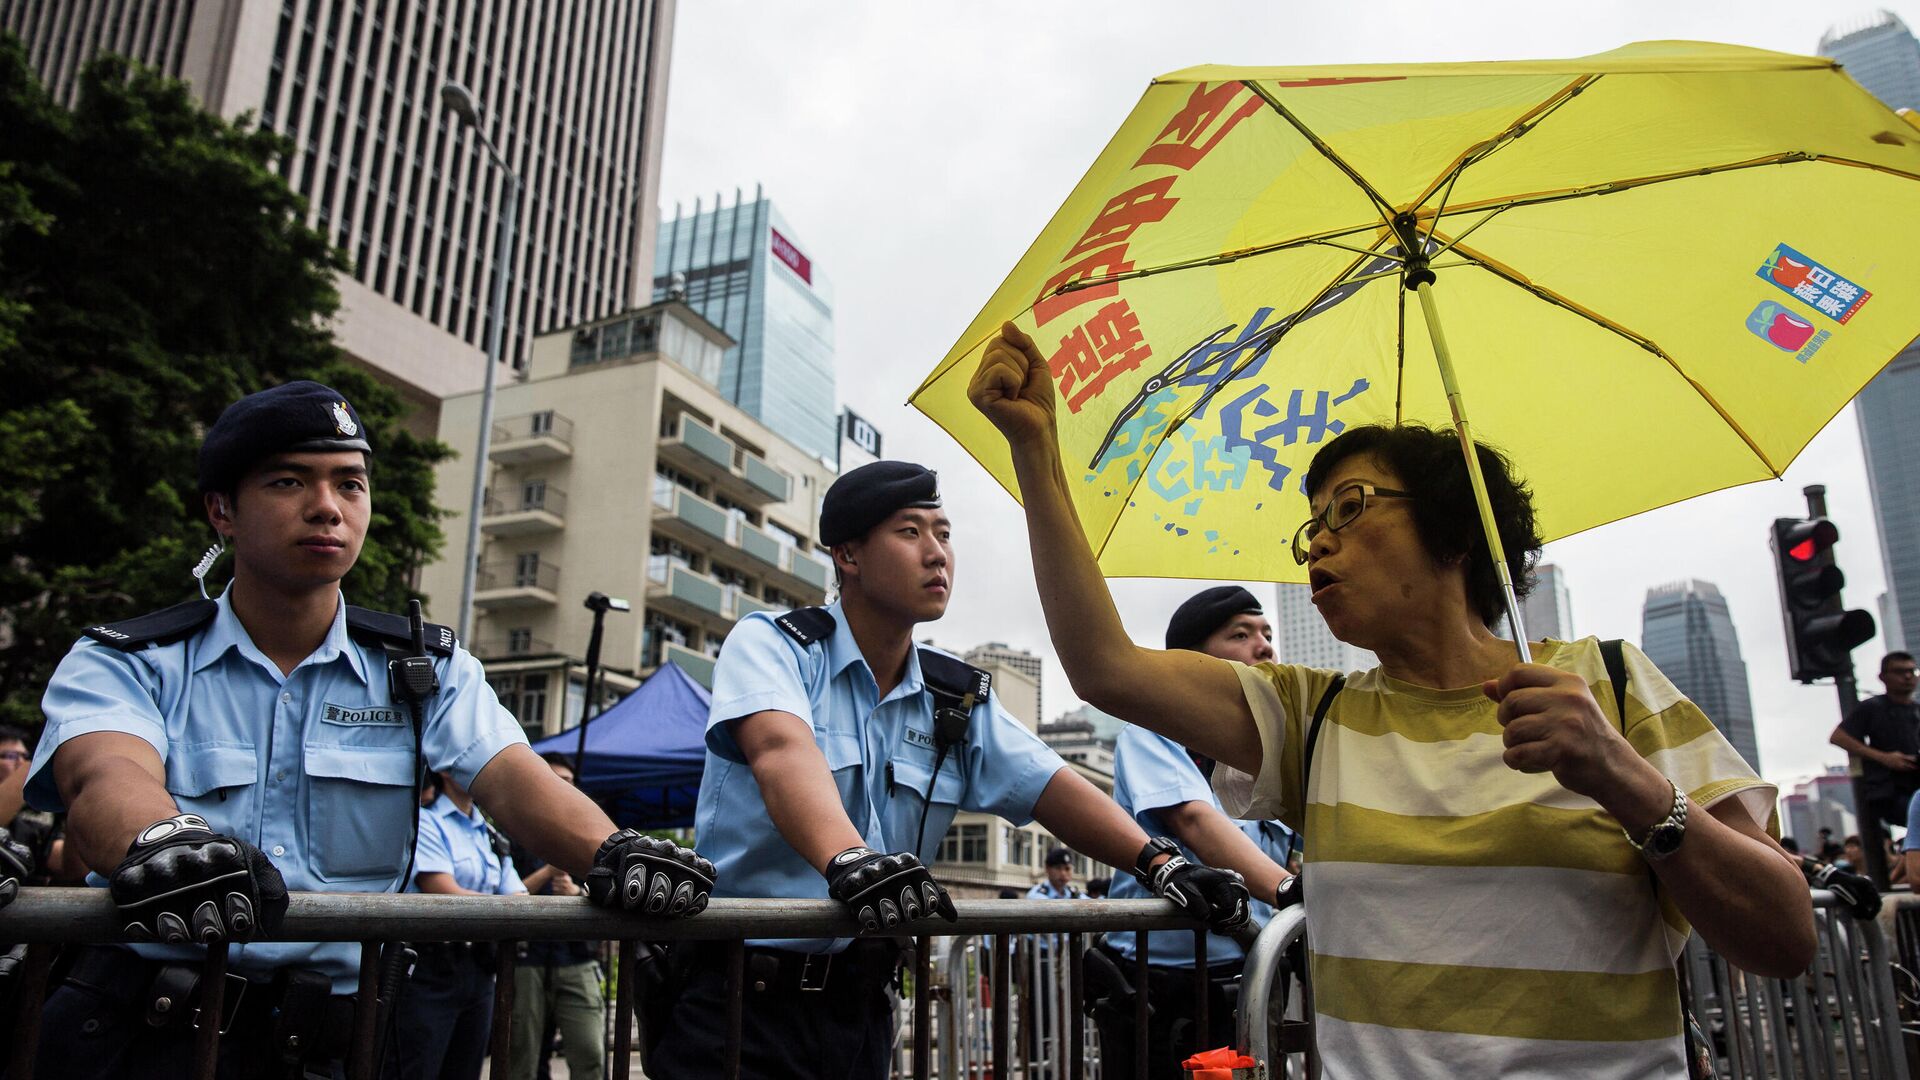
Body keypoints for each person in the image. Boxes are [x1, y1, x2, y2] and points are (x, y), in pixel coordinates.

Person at [968, 323, 1813, 1079]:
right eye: (1311, 526)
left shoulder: (1619, 688)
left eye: (1351, 507)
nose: (1319, 542)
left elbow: (1782, 938)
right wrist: (1038, 459)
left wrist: (1625, 780)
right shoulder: (1316, 716)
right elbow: (1105, 667)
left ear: (1453, 530)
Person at [22, 381, 714, 1080]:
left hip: (341, 1042)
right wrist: (163, 844)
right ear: (221, 510)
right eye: (290, 480)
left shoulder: (425, 669)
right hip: (145, 1033)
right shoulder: (130, 658)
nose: (327, 507)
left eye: (349, 484)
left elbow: (513, 775)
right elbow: (106, 773)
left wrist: (616, 853)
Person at [646, 459, 1251, 1080]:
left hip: (862, 1006)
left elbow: (1051, 783)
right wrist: (851, 859)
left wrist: (1162, 864)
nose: (938, 554)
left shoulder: (953, 696)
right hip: (739, 1000)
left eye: (945, 533)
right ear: (848, 554)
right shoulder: (776, 644)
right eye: (910, 533)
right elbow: (779, 749)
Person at [1096, 586, 1300, 1079]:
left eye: (1267, 634)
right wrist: (1289, 892)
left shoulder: (1270, 746)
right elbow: (1192, 818)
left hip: (1246, 973)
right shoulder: (1152, 730)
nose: (1265, 646)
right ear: (1192, 661)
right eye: (1241, 634)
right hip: (1156, 984)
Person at [393, 770, 526, 1080]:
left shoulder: (490, 834)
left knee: (466, 1068)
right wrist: (503, 906)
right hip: (430, 967)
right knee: (416, 1066)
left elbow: (519, 897)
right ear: (445, 771)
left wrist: (505, 905)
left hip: (479, 968)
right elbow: (444, 891)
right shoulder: (425, 821)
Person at [508, 755, 606, 1080]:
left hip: (576, 957)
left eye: (570, 782)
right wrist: (546, 873)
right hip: (528, 960)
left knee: (590, 1052)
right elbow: (504, 893)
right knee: (524, 1056)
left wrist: (576, 894)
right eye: (556, 780)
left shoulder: (592, 837)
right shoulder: (516, 834)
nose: (564, 788)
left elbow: (610, 893)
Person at [1831, 652, 1920, 831]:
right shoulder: (1873, 707)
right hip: (1889, 792)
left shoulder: (1917, 710)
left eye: (1912, 671)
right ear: (1883, 677)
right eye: (1899, 671)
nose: (1908, 676)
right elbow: (1838, 737)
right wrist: (1884, 757)